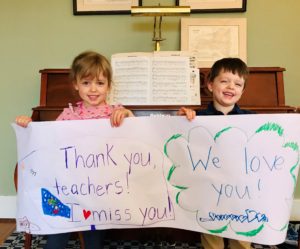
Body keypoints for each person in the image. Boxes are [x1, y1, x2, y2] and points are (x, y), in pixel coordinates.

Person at [15, 51, 134, 249]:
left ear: (109, 86)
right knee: (55, 240)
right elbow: (48, 142)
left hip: (100, 192)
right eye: (86, 83)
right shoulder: (68, 115)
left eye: (100, 83)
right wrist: (29, 127)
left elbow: (138, 140)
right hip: (67, 190)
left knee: (93, 240)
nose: (93, 89)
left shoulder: (117, 113)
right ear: (76, 84)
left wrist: (128, 115)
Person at [177, 57, 254, 249]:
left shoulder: (252, 120)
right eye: (224, 81)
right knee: (212, 238)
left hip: (241, 193)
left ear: (243, 91)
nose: (231, 87)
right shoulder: (197, 118)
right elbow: (180, 144)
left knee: (242, 239)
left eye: (238, 84)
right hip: (209, 192)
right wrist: (180, 122)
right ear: (210, 85)